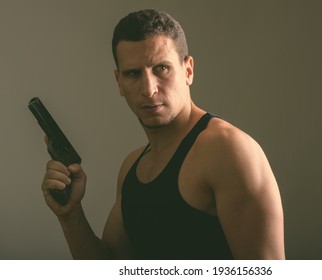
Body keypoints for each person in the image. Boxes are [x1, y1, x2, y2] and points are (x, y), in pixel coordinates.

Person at [42, 9, 285, 260]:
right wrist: (70, 215)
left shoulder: (227, 150)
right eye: (133, 73)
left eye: (161, 68)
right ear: (119, 82)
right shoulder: (131, 167)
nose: (148, 89)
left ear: (188, 71)